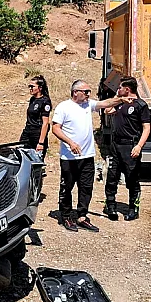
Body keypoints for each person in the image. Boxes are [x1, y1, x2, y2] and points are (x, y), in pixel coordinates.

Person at [51, 80, 129, 232]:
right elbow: (55, 128)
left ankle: (82, 216)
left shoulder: (88, 105)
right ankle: (66, 216)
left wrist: (120, 99)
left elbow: (105, 103)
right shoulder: (64, 107)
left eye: (89, 92)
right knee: (67, 187)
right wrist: (70, 143)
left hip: (87, 156)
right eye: (86, 92)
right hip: (69, 158)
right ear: (75, 92)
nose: (88, 94)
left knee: (86, 187)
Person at [102, 76, 151, 221]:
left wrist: (139, 146)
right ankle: (110, 206)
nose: (117, 90)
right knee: (112, 177)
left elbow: (146, 128)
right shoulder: (120, 103)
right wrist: (117, 97)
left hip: (130, 145)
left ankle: (133, 208)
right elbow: (107, 110)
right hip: (115, 145)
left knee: (132, 178)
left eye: (120, 88)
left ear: (127, 89)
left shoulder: (140, 105)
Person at [19, 75, 52, 159]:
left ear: (40, 88)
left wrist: (41, 143)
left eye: (32, 86)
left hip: (37, 134)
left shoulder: (45, 101)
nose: (30, 88)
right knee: (21, 155)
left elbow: (45, 123)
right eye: (29, 86)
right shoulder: (32, 100)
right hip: (27, 132)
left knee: (36, 160)